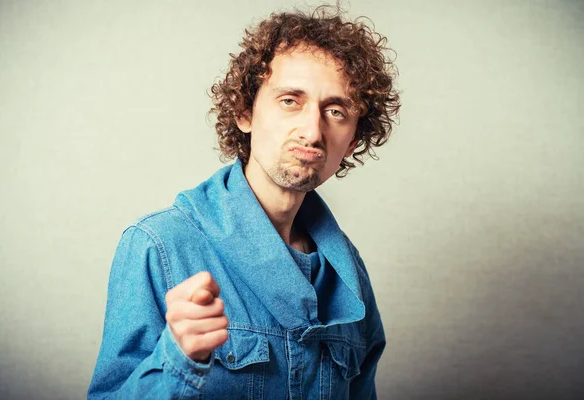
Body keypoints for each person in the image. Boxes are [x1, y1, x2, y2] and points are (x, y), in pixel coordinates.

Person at [88, 5, 400, 400]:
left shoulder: (349, 276)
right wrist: (177, 360)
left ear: (352, 140)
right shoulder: (159, 246)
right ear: (244, 112)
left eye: (335, 111)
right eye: (290, 100)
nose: (312, 129)